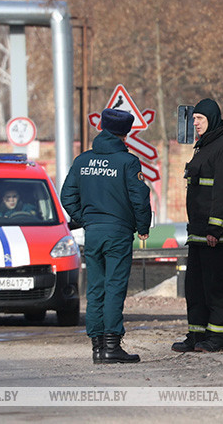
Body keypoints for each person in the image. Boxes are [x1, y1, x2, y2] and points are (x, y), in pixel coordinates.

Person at [61, 108, 151, 364]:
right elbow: (140, 198)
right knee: (114, 287)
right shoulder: (128, 162)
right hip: (118, 232)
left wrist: (85, 218)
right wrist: (142, 226)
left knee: (95, 288)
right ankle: (112, 346)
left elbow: (67, 196)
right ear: (125, 135)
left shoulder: (82, 161)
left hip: (93, 232)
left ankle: (97, 348)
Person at [171, 98, 223, 353]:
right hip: (198, 234)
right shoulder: (204, 147)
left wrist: (215, 228)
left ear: (211, 118)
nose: (195, 123)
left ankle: (219, 338)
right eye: (194, 119)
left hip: (216, 237)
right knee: (196, 288)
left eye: (199, 119)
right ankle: (197, 335)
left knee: (217, 288)